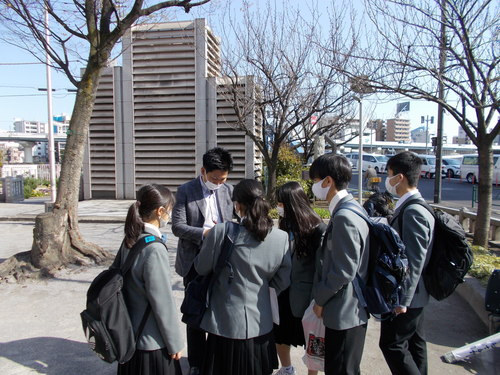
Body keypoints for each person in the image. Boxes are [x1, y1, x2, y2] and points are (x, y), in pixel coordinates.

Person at [194, 179, 292, 375]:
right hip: (260, 321)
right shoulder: (281, 238)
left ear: (237, 205)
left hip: (223, 322)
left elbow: (201, 267)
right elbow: (282, 280)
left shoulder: (221, 231)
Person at [172, 147, 234, 375]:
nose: (218, 182)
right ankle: (196, 363)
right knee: (195, 312)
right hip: (194, 260)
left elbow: (235, 220)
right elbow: (178, 227)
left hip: (221, 261)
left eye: (223, 179)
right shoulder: (186, 190)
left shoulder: (228, 190)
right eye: (215, 178)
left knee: (219, 310)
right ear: (203, 171)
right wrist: (207, 234)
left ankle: (215, 360)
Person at [309, 154, 370, 375]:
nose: (313, 186)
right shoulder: (351, 208)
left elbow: (344, 270)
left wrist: (320, 299)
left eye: (315, 181)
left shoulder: (345, 217)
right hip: (348, 309)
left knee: (341, 368)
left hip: (345, 311)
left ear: (328, 181)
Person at [113, 184, 183, 375]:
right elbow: (163, 302)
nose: (170, 214)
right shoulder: (154, 249)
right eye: (169, 210)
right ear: (160, 211)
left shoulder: (131, 238)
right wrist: (174, 343)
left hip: (128, 334)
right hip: (151, 340)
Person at [379, 151, 435, 375]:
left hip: (408, 295)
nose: (387, 179)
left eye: (389, 174)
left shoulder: (413, 211)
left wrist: (402, 299)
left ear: (399, 177)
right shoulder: (411, 206)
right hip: (415, 295)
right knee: (414, 345)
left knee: (392, 344)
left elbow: (414, 259)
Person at [273, 181, 327, 375]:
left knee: (311, 338)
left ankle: (312, 374)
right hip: (284, 292)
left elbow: (321, 269)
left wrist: (319, 299)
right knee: (281, 334)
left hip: (306, 296)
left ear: (291, 204)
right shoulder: (285, 225)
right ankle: (287, 368)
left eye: (280, 203)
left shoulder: (317, 229)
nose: (277, 207)